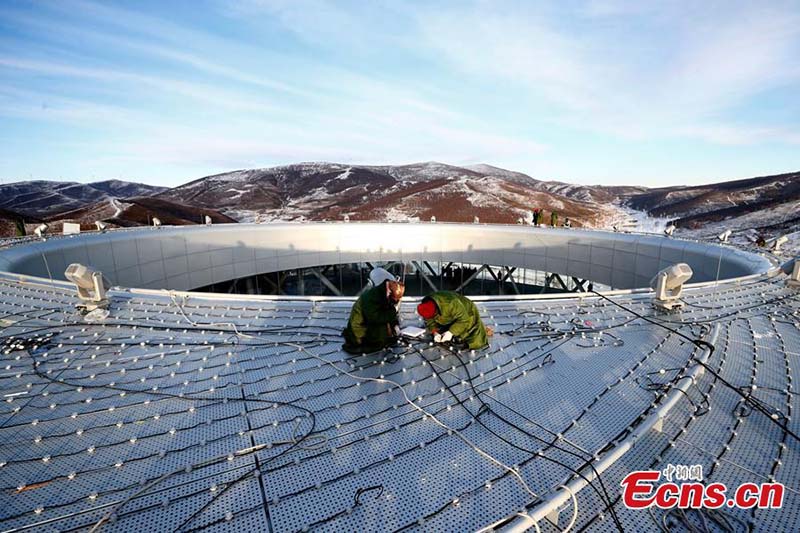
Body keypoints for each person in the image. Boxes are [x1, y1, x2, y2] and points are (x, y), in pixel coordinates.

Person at [342, 276, 405, 354]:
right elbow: (375, 317)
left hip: (367, 321)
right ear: (390, 292)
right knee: (381, 339)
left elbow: (387, 310)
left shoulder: (384, 291)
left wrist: (395, 325)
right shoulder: (372, 297)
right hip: (359, 330)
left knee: (387, 333)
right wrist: (393, 312)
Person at [416, 291, 492, 350]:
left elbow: (464, 320)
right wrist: (434, 332)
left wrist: (451, 332)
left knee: (473, 338)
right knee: (444, 332)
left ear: (436, 311)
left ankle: (485, 330)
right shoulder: (427, 304)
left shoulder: (452, 304)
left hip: (467, 312)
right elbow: (429, 320)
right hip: (450, 314)